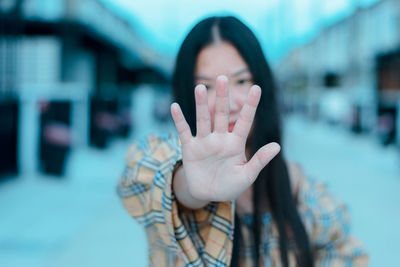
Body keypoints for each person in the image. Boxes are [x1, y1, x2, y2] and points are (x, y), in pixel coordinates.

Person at [117, 16, 368, 267]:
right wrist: (189, 186)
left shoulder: (300, 190)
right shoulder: (160, 158)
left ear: (262, 85)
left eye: (241, 81)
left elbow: (346, 251)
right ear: (185, 92)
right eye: (205, 86)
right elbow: (138, 180)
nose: (228, 101)